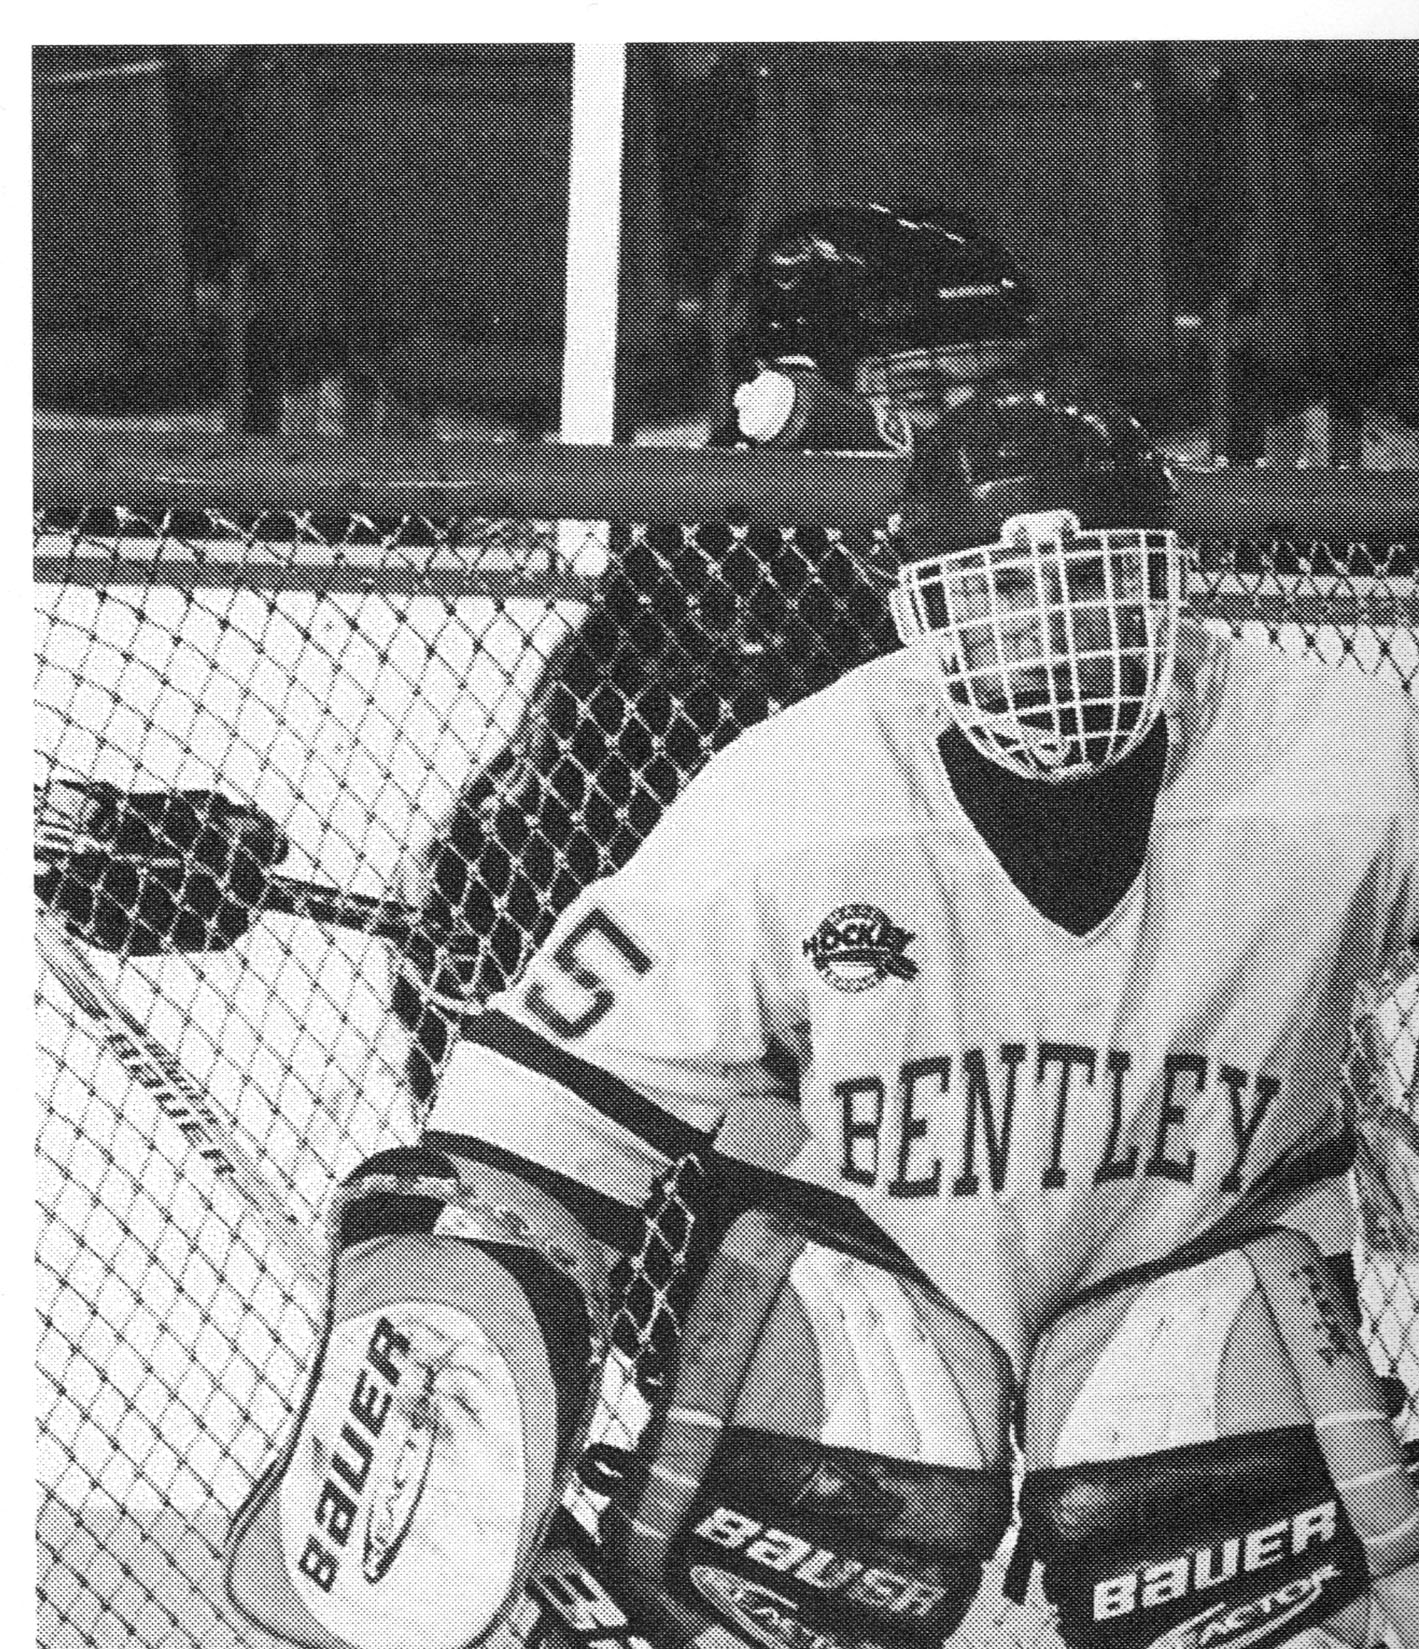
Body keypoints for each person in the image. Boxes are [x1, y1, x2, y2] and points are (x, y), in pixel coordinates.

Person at [230, 387, 1419, 1649]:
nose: (1053, 637)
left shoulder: (1331, 760)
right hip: (886, 1254)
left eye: (1100, 588)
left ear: (1173, 587)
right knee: (847, 1451)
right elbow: (551, 1096)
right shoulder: (796, 796)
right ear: (919, 612)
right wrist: (479, 1272)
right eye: (1000, 596)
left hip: (1196, 1244)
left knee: (1182, 1457)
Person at [390, 200, 1041, 1110]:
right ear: (791, 398)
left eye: (996, 388)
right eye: (927, 394)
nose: (975, 427)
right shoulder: (724, 565)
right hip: (697, 1075)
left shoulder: (1020, 543)